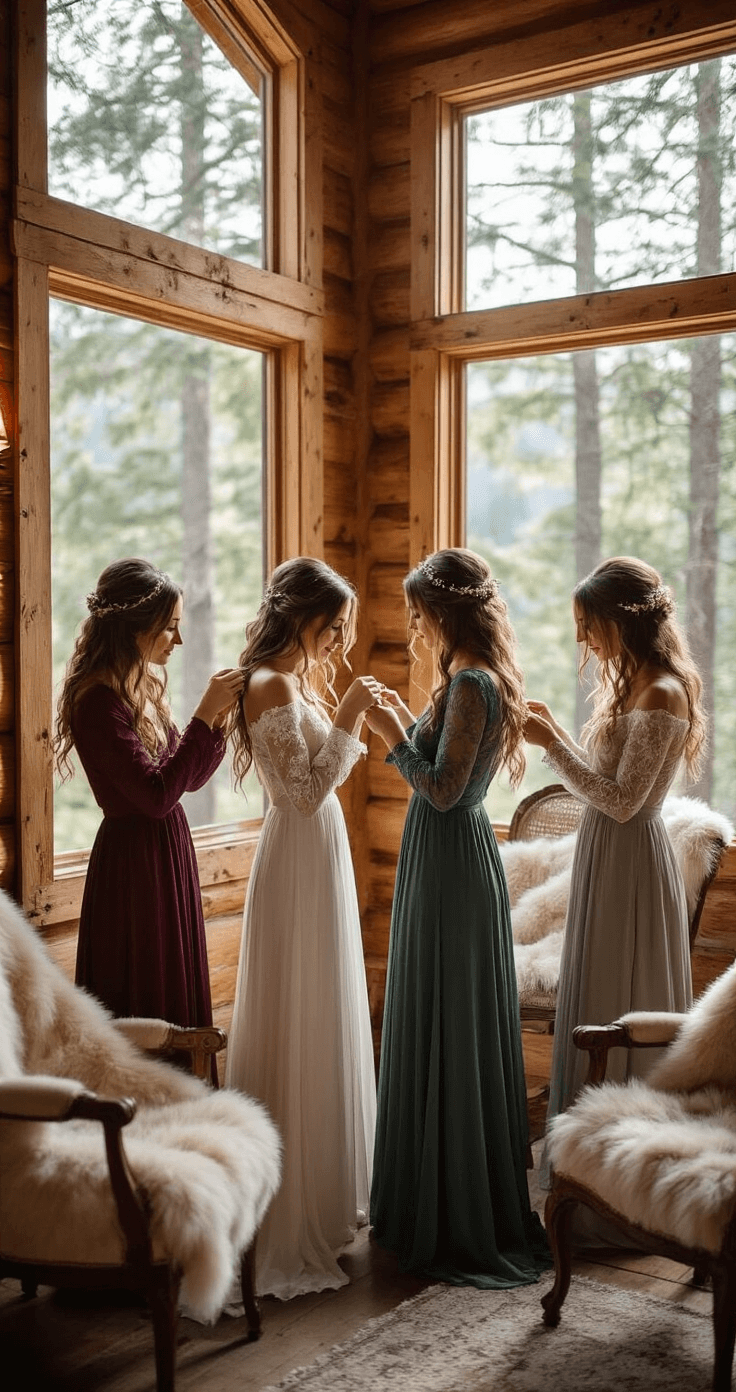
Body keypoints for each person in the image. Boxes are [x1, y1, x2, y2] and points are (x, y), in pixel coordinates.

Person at [366, 547, 549, 1288]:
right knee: (434, 1014)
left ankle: (457, 1214)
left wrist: (388, 736)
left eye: (418, 612)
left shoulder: (472, 683)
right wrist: (403, 719)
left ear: (443, 612)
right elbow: (440, 761)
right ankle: (425, 1200)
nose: (414, 624)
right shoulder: (465, 679)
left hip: (451, 859)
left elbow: (441, 789)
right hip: (438, 860)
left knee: (452, 1020)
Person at [224, 556, 378, 1300]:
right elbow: (306, 793)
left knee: (323, 1015)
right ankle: (286, 1214)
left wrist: (338, 710)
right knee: (299, 1014)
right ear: (305, 616)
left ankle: (323, 1191)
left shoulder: (295, 683)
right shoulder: (271, 684)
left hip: (319, 865)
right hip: (297, 863)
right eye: (336, 625)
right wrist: (348, 717)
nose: (341, 641)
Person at [524, 556, 706, 1133]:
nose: (582, 637)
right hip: (605, 853)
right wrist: (555, 729)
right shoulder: (631, 687)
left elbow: (624, 802)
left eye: (589, 623)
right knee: (594, 981)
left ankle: (621, 1132)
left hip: (631, 861)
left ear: (622, 620)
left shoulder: (661, 692)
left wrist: (551, 741)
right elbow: (608, 792)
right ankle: (581, 1138)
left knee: (620, 986)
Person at [54, 557, 243, 1035]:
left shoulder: (142, 685)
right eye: (169, 628)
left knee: (173, 981)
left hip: (166, 851)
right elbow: (155, 795)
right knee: (143, 986)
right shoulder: (97, 700)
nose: (177, 641)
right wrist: (203, 714)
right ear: (135, 627)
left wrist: (215, 724)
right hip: (131, 867)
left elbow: (187, 779)